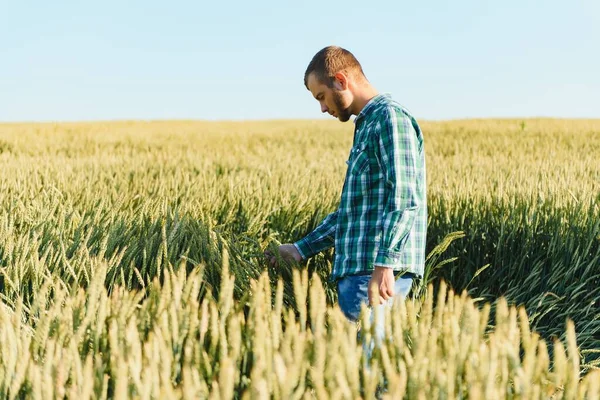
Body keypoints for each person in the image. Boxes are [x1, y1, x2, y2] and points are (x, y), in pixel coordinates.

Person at [266, 45, 427, 345]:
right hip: (362, 273)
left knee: (370, 377)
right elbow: (351, 214)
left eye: (321, 97)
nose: (323, 108)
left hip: (374, 274)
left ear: (340, 80)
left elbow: (405, 199)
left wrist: (384, 264)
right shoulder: (367, 125)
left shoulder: (389, 119)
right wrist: (301, 249)